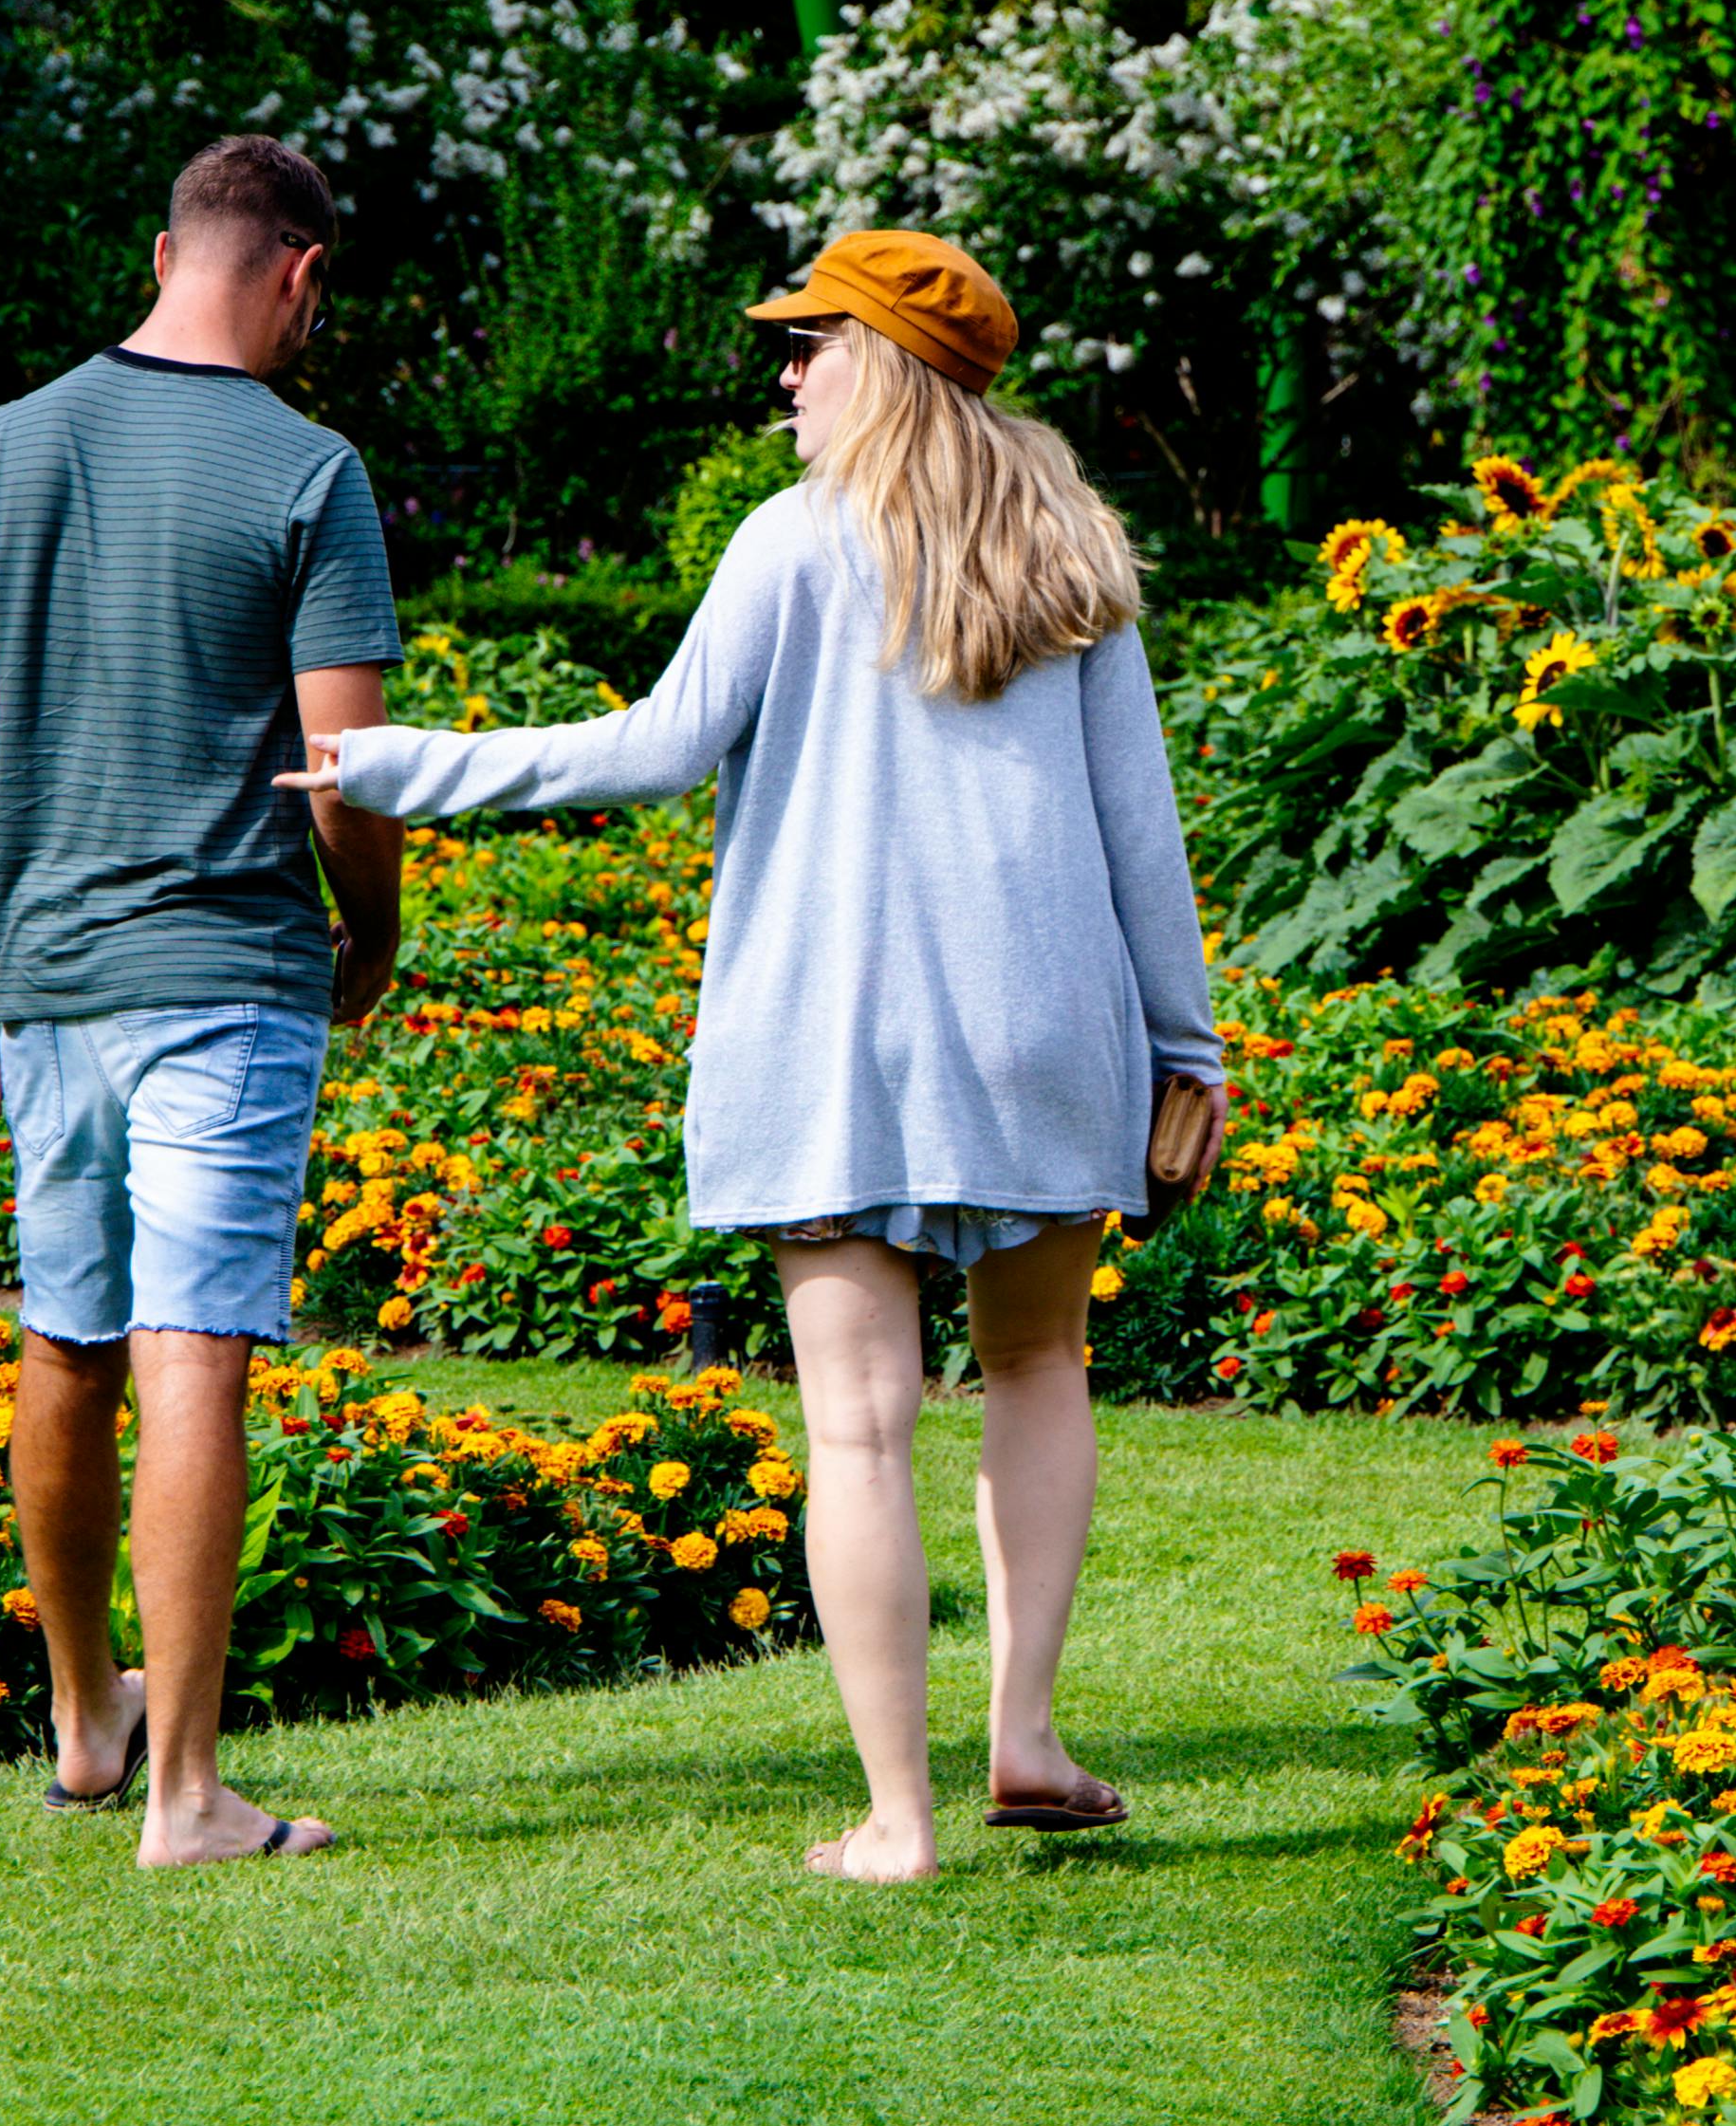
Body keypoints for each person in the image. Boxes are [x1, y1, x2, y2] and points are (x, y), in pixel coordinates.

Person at [290, 230, 1221, 1883]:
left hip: (834, 1029)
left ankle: (900, 1820)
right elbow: (1137, 825)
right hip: (1046, 1029)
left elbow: (646, 753)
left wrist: (390, 766)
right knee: (1039, 1370)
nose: (785, 375)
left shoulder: (793, 542)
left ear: (893, 362)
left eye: (814, 343)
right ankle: (1025, 1733)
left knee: (857, 1431)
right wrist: (1185, 1047)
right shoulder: (1071, 544)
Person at [0, 132, 403, 1868]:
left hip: (46, 982)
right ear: (297, 273)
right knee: (198, 1343)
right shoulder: (308, 471)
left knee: (68, 1333)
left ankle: (83, 1719)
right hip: (229, 971)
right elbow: (343, 768)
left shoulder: (3, 444)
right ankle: (189, 1794)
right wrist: (374, 931)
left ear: (166, 246)